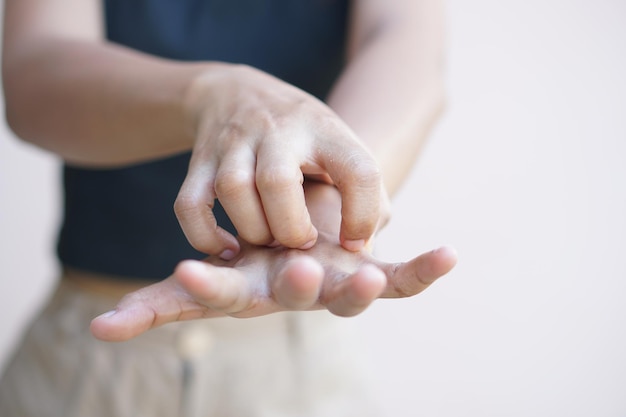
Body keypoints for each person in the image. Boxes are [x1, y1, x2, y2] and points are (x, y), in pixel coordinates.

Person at [0, 0, 457, 416]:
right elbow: (34, 71)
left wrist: (334, 195)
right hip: (85, 359)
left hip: (292, 366)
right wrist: (213, 94)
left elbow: (406, 48)